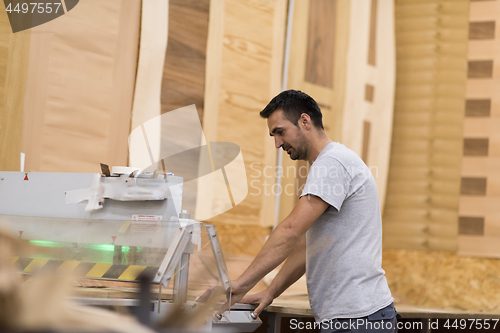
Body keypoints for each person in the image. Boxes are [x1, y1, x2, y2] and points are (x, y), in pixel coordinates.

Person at [199, 90, 398, 332]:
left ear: (305, 121)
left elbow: (290, 231)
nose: (277, 143)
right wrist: (270, 291)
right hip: (355, 317)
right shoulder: (329, 164)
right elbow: (308, 245)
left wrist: (240, 285)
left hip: (360, 319)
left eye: (280, 132)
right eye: (273, 135)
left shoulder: (333, 163)